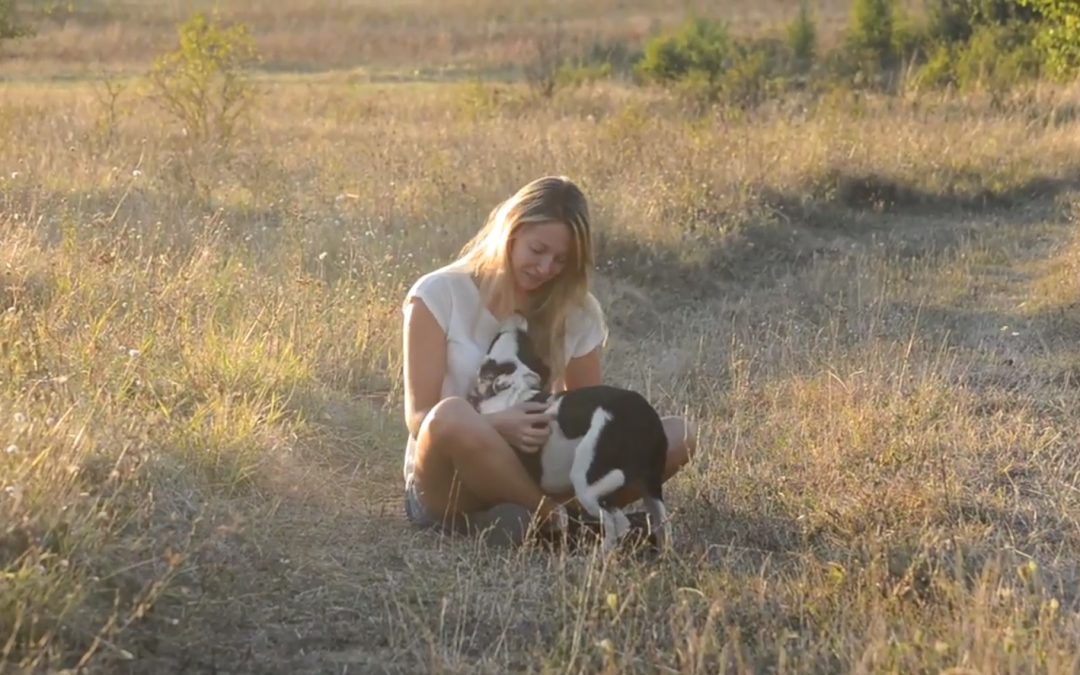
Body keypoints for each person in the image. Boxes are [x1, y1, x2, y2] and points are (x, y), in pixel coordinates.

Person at [401, 175, 696, 543]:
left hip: (539, 467)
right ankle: (566, 526)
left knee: (676, 436)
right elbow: (420, 419)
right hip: (450, 478)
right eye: (537, 250)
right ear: (511, 232)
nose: (545, 269)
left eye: (560, 260)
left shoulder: (578, 312)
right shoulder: (437, 294)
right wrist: (496, 424)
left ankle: (532, 521)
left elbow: (588, 413)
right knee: (450, 414)